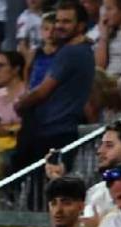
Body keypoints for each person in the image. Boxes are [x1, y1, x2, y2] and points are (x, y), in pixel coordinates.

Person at [13, 0, 95, 169]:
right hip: (60, 130)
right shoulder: (85, 49)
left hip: (53, 131)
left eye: (66, 22)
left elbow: (43, 91)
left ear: (80, 26)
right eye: (57, 21)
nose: (59, 26)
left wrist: (20, 104)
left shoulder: (70, 52)